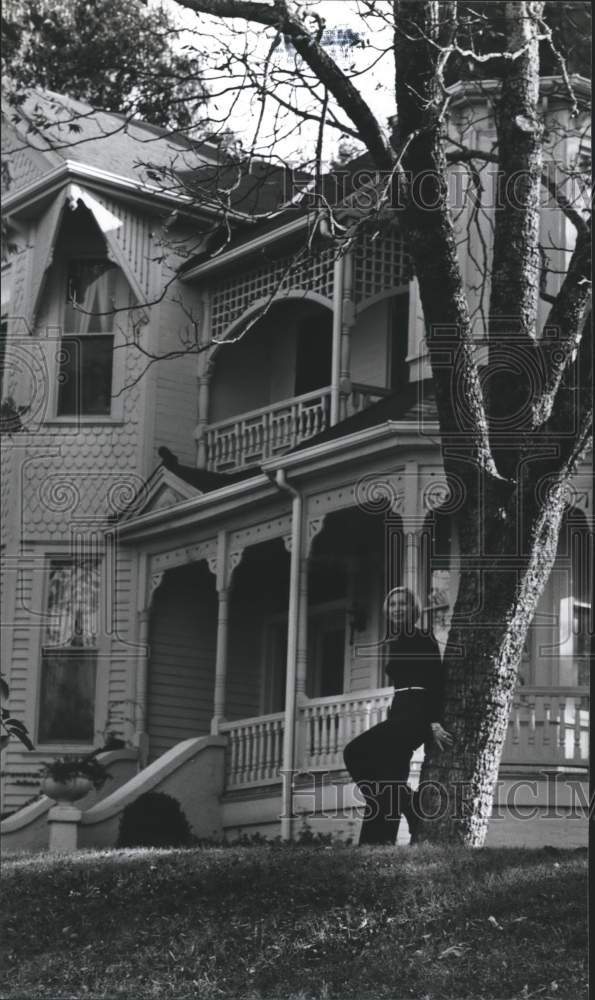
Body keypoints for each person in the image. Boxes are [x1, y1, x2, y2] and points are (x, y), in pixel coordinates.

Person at [343, 586, 453, 845]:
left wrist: (433, 722)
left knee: (355, 753)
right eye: (392, 605)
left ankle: (410, 803)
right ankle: (376, 844)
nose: (397, 608)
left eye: (403, 604)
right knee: (388, 778)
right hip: (400, 710)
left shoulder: (422, 637)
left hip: (415, 714)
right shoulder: (397, 640)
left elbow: (435, 681)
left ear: (413, 608)